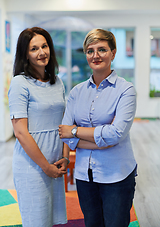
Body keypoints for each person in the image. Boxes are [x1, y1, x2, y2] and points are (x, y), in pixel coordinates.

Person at [58, 28, 137, 227]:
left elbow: (115, 134)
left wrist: (76, 131)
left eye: (102, 49)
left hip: (117, 175)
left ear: (113, 52)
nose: (95, 55)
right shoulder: (77, 92)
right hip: (85, 176)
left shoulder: (125, 90)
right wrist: (101, 141)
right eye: (90, 50)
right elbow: (65, 135)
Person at [8, 27, 69, 227]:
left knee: (51, 220)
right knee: (36, 221)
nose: (41, 52)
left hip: (55, 162)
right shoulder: (20, 83)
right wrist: (46, 167)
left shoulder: (58, 82)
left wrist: (65, 157)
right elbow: (20, 132)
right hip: (33, 166)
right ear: (25, 53)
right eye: (34, 49)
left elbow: (64, 123)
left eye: (44, 46)